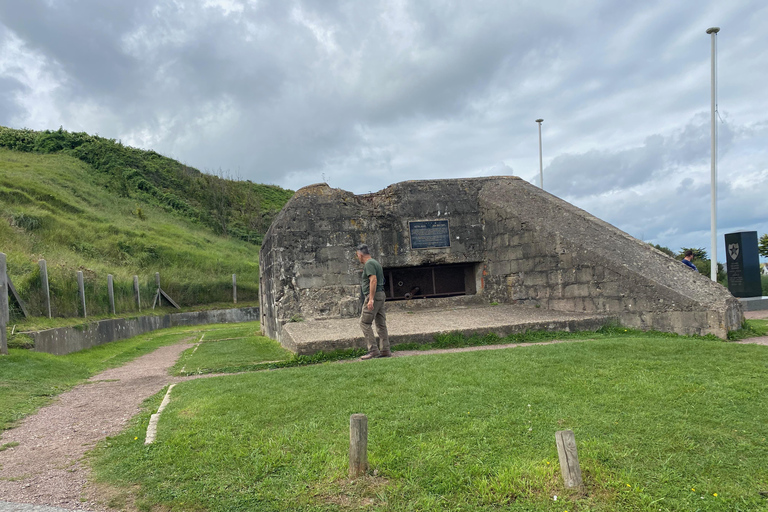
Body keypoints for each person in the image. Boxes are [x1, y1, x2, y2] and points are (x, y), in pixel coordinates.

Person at [356, 244, 390, 359]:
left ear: (360, 255)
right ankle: (385, 349)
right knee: (381, 323)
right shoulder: (376, 262)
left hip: (374, 296)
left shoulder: (369, 264)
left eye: (357, 256)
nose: (358, 258)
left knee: (364, 323)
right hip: (381, 294)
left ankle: (373, 350)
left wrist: (370, 299)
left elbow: (373, 280)